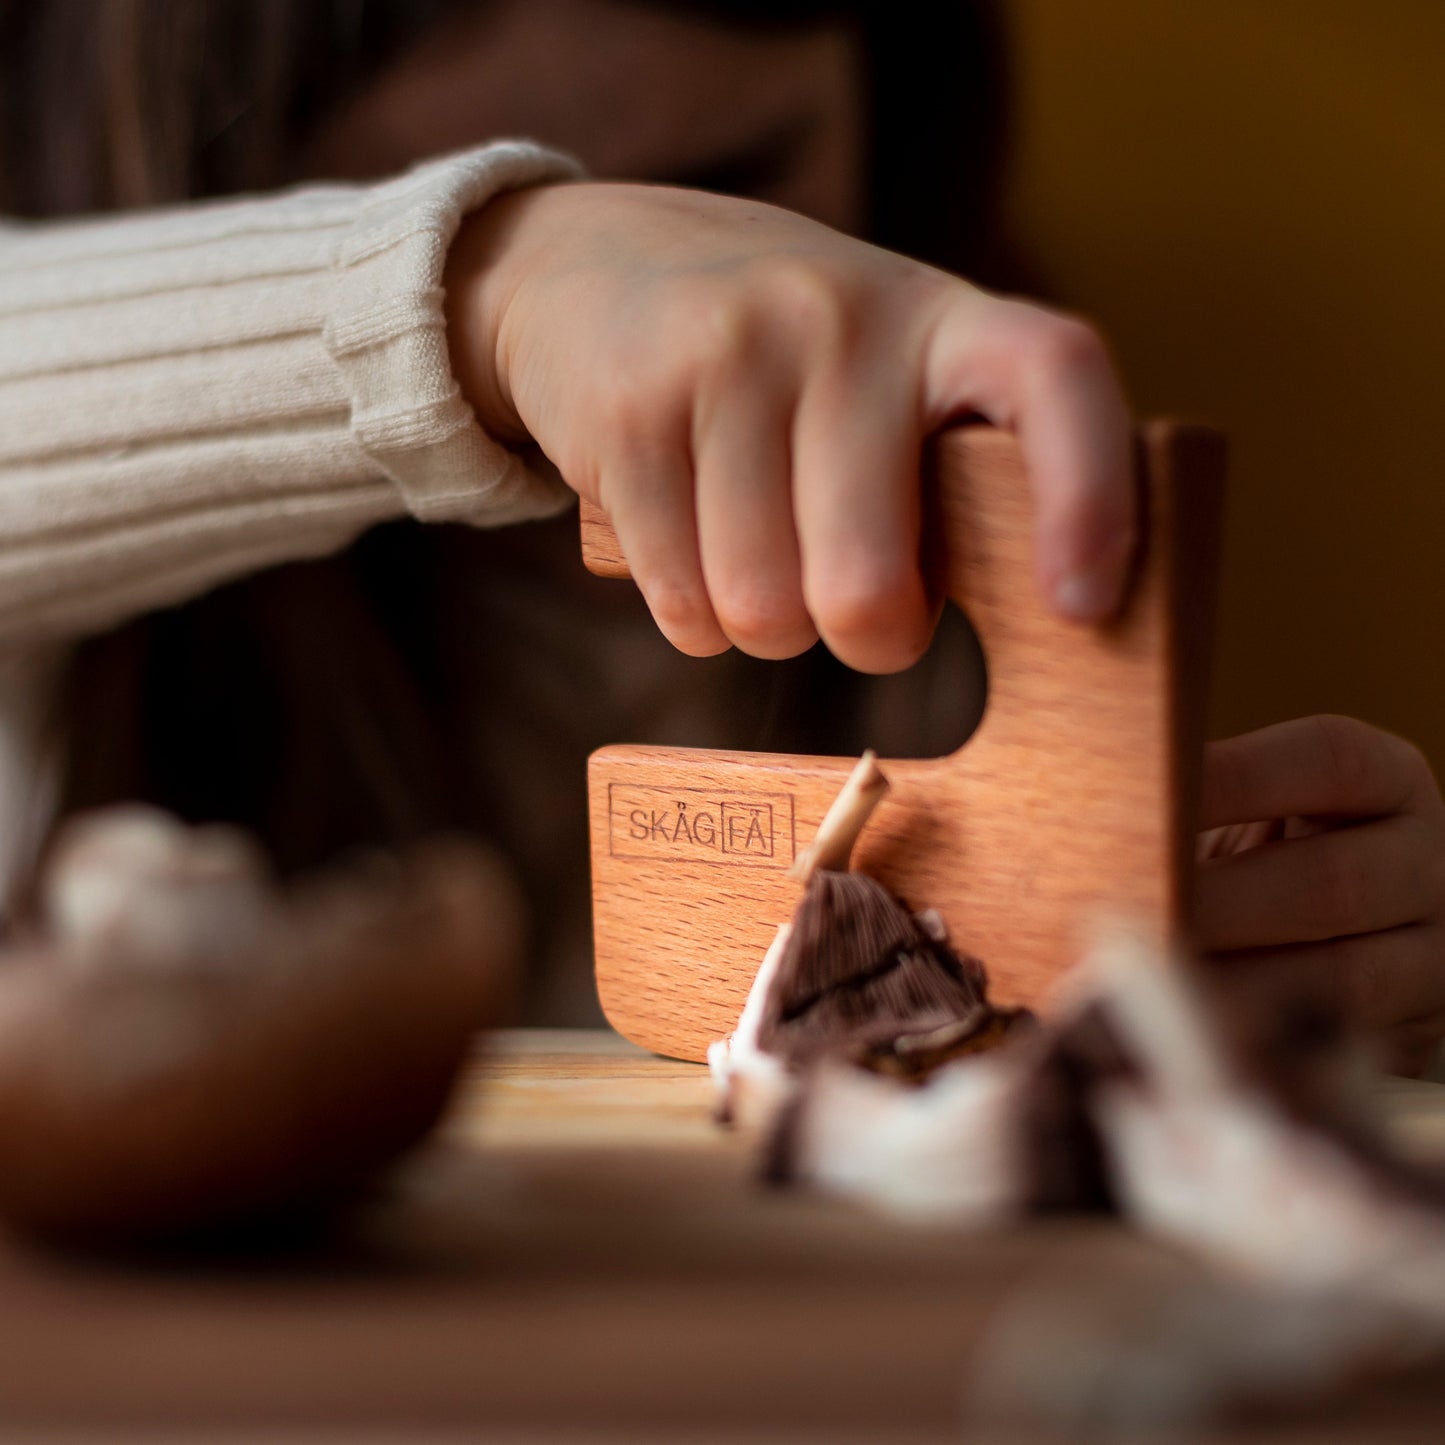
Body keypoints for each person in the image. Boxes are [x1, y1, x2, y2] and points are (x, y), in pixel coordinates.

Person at [1, 0, 1441, 1070]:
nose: (678, 322)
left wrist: (1231, 1026)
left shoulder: (961, 456)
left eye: (743, 178)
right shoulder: (82, 657)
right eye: (458, 182)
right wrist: (476, 294)